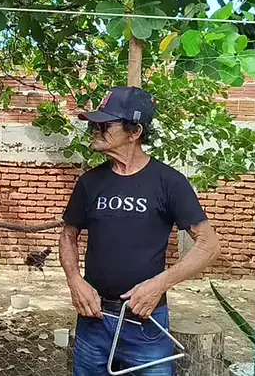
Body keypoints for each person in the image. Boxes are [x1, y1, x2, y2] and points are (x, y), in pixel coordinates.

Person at [59, 86, 221, 375]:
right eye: (94, 124)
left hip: (145, 323)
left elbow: (209, 246)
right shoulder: (89, 183)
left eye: (105, 125)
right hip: (93, 320)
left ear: (134, 132)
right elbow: (68, 236)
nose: (94, 130)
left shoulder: (169, 182)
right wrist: (74, 280)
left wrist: (159, 284)